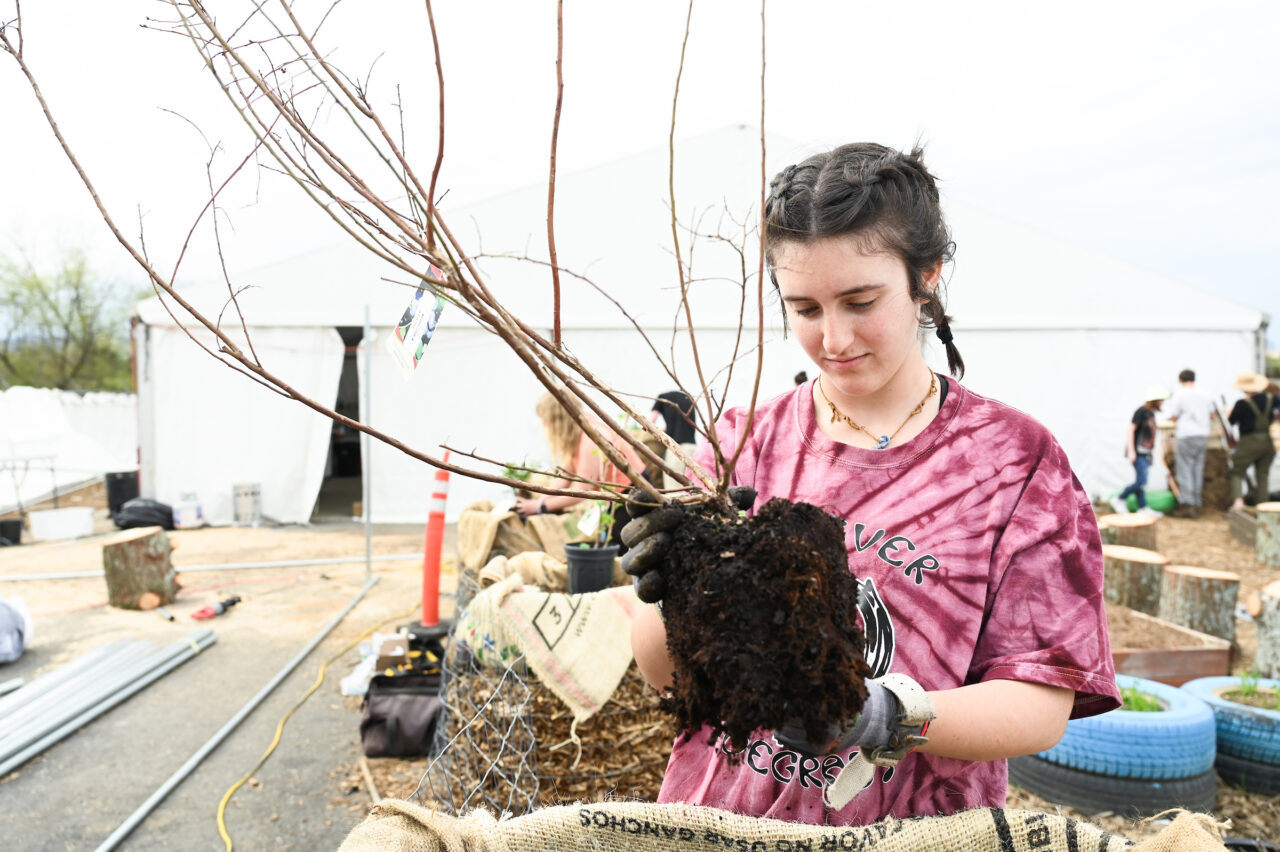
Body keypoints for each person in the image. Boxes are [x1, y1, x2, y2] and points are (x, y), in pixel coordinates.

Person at [625, 143, 1119, 826]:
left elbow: (1040, 703)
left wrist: (887, 715)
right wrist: (671, 593)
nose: (834, 339)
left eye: (860, 302)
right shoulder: (741, 444)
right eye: (805, 309)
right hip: (720, 825)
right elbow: (666, 676)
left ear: (927, 277)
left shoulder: (1013, 464)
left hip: (910, 834)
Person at [513, 391, 646, 544]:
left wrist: (540, 507)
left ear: (558, 420)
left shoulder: (591, 438)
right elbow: (567, 474)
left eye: (545, 421)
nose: (543, 426)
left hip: (631, 493)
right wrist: (541, 500)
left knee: (621, 545)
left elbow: (581, 492)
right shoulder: (576, 433)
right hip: (614, 496)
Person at [1163, 369, 1216, 518]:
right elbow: (1212, 415)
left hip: (1186, 434)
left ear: (1180, 380)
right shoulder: (1206, 394)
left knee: (1185, 469)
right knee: (1197, 469)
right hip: (1202, 435)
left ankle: (1188, 504)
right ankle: (1197, 502)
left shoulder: (1179, 394)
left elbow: (1173, 416)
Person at [1111, 387, 1169, 517]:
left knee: (1141, 482)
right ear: (1154, 400)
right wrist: (1132, 451)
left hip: (1146, 453)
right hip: (1138, 453)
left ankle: (1142, 507)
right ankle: (1120, 498)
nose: (1162, 403)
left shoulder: (1151, 414)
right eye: (1160, 400)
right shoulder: (1141, 411)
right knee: (1141, 481)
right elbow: (1130, 430)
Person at [1227, 372, 1278, 508]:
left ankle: (1238, 502)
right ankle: (1262, 506)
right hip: (1268, 441)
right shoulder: (1272, 399)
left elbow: (1232, 421)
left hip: (1248, 441)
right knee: (1263, 475)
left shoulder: (1241, 404)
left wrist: (1229, 413)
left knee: (1237, 471)